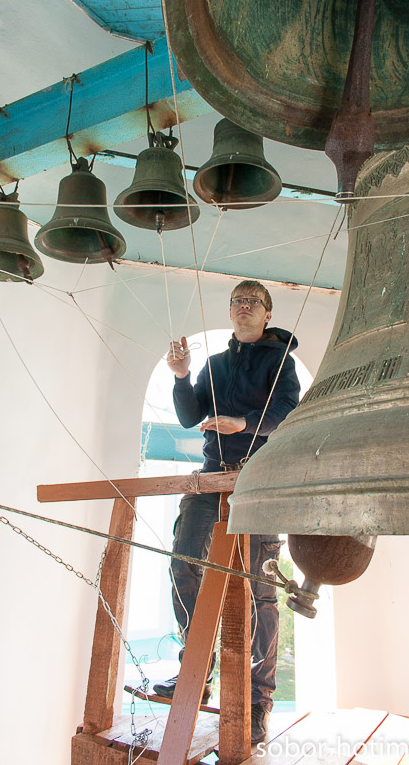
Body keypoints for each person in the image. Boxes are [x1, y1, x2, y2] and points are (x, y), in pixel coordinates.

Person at [153, 280, 300, 744]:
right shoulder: (215, 365)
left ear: (266, 312)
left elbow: (289, 414)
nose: (242, 307)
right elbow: (187, 414)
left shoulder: (282, 363)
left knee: (259, 589)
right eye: (237, 300)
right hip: (212, 476)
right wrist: (180, 374)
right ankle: (196, 671)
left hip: (259, 479)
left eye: (252, 301)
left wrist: (246, 424)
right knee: (184, 569)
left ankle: (257, 702)